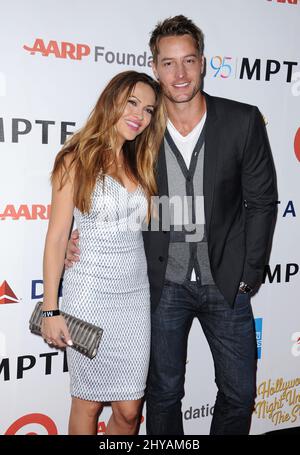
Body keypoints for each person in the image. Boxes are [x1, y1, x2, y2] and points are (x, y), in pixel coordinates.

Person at [65, 16, 277, 435]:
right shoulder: (142, 128)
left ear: (203, 63)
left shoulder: (242, 120)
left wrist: (250, 273)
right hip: (161, 284)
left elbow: (263, 202)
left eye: (188, 61)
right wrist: (80, 234)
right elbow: (100, 184)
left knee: (238, 393)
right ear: (155, 66)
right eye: (167, 63)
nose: (179, 74)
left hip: (227, 282)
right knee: (162, 394)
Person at [41, 70, 165, 435]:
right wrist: (51, 308)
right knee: (88, 402)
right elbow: (57, 236)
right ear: (112, 101)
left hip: (134, 296)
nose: (139, 116)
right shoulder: (74, 159)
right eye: (132, 103)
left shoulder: (141, 162)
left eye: (147, 109)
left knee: (129, 410)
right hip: (89, 293)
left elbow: (152, 225)